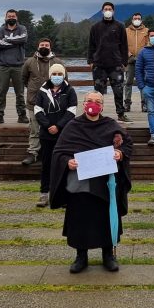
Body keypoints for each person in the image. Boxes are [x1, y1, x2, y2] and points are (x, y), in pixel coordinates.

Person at [49, 91, 134, 273]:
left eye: (97, 102)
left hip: (105, 182)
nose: (93, 104)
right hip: (81, 183)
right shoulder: (73, 126)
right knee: (80, 218)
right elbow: (59, 152)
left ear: (102, 106)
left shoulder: (111, 125)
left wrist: (120, 154)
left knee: (105, 218)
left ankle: (108, 255)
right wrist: (67, 162)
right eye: (89, 101)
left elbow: (127, 144)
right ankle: (81, 256)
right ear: (83, 104)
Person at [34, 63, 77, 207]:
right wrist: (48, 126)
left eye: (59, 74)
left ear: (63, 75)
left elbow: (71, 111)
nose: (57, 76)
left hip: (64, 134)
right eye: (54, 74)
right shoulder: (42, 91)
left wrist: (58, 126)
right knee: (46, 164)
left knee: (64, 164)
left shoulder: (70, 90)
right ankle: (44, 194)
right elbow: (37, 110)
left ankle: (63, 195)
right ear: (50, 75)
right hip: (46, 134)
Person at [20, 37, 64, 166]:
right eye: (42, 45)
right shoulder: (29, 62)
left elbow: (65, 80)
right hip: (34, 101)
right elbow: (24, 78)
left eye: (46, 45)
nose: (44, 47)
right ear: (38, 47)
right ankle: (33, 153)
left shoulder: (57, 62)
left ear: (50, 47)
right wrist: (32, 88)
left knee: (53, 128)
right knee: (34, 129)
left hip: (53, 102)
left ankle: (53, 153)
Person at [88, 1, 131, 122]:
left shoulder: (120, 26)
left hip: (116, 65)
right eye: (106, 9)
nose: (108, 11)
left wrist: (124, 62)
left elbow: (124, 46)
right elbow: (91, 45)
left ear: (113, 11)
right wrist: (90, 60)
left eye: (110, 9)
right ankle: (97, 114)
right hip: (99, 65)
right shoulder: (95, 27)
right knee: (98, 93)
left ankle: (121, 114)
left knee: (118, 91)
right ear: (102, 11)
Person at [0, 8, 29, 125]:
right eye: (9, 16)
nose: (11, 18)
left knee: (20, 93)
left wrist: (7, 39)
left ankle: (22, 115)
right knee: (1, 92)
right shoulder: (1, 29)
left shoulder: (22, 28)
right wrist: (15, 43)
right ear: (5, 17)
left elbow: (24, 38)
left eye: (13, 16)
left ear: (16, 17)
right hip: (3, 66)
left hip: (18, 66)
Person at [123, 12, 148, 112]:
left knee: (143, 82)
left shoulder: (146, 31)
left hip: (142, 61)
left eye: (138, 18)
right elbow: (123, 45)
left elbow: (148, 44)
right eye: (135, 18)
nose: (136, 20)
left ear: (141, 20)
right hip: (129, 61)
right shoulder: (126, 31)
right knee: (128, 82)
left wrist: (141, 56)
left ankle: (144, 104)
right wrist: (130, 55)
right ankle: (127, 104)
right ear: (132, 20)